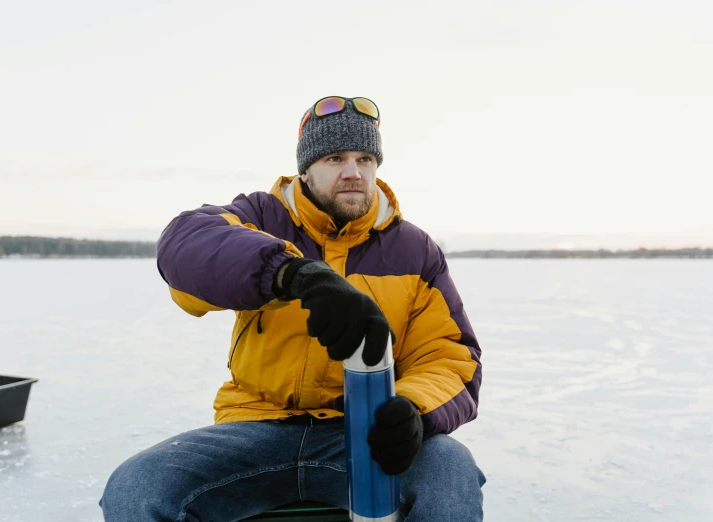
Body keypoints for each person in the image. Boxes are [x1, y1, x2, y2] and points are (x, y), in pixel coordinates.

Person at [99, 96, 486, 521]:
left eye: (365, 158)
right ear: (306, 168)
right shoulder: (260, 217)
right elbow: (184, 247)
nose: (354, 172)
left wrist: (412, 410)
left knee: (450, 470)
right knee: (135, 489)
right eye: (335, 158)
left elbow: (450, 357)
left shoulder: (414, 250)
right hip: (253, 428)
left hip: (360, 434)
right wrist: (291, 274)